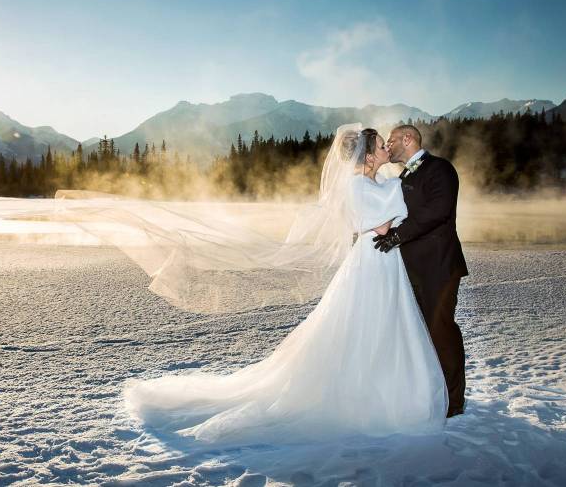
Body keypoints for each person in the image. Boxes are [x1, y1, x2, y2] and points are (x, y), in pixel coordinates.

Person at [124, 125, 448, 444]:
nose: (385, 150)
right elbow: (381, 227)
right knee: (367, 324)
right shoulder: (359, 187)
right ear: (366, 156)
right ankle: (368, 396)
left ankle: (387, 388)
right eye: (379, 146)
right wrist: (402, 195)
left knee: (383, 325)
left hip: (384, 260)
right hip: (375, 258)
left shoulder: (376, 181)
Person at [374, 124, 468, 417]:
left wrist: (397, 236)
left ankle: (453, 404)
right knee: (419, 334)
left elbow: (437, 211)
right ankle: (429, 394)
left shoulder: (439, 168)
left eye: (390, 141)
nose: (388, 147)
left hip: (438, 267)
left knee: (441, 332)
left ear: (408, 139)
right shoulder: (404, 174)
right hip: (412, 269)